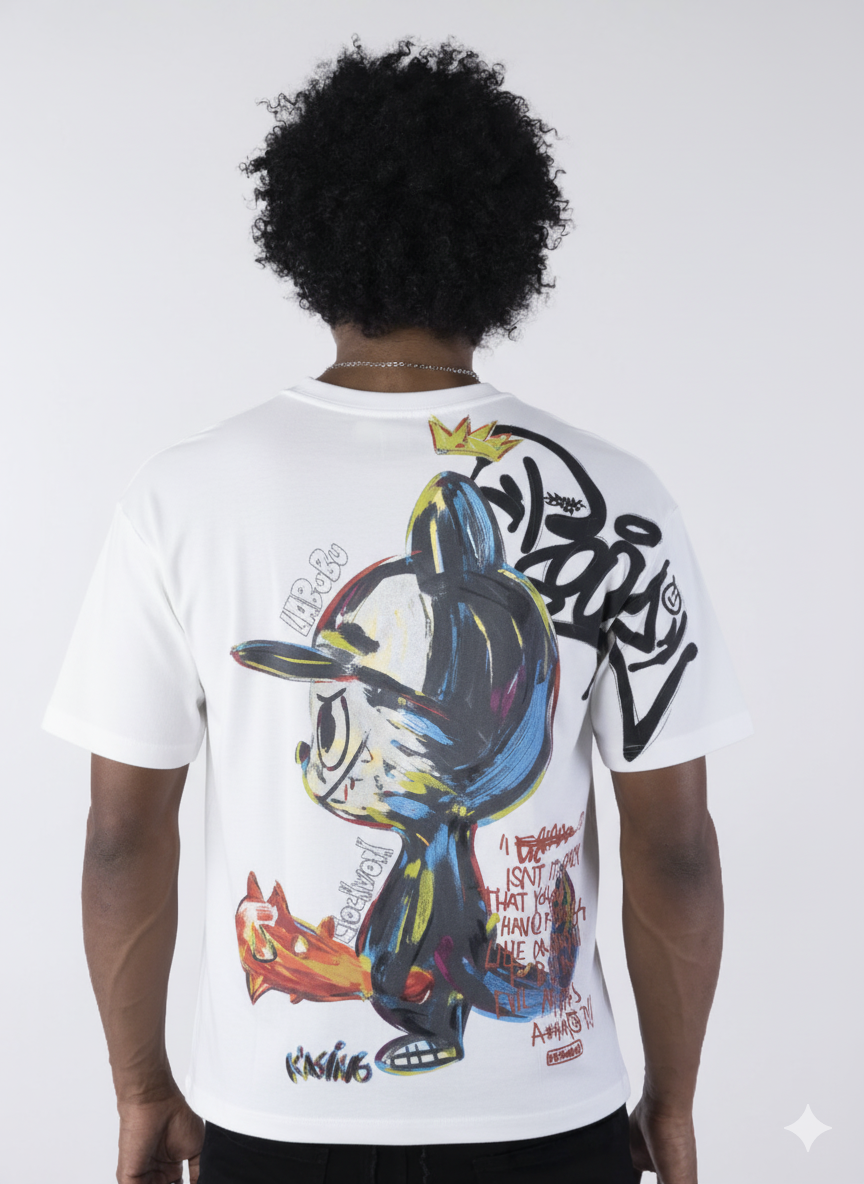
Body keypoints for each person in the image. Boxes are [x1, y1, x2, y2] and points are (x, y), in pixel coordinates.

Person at [44, 37, 752, 1184]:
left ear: (308, 239)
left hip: (275, 1126)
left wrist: (140, 1088)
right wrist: (671, 1103)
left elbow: (121, 836)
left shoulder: (183, 496)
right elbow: (674, 849)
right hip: (546, 1126)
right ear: (508, 245)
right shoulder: (622, 495)